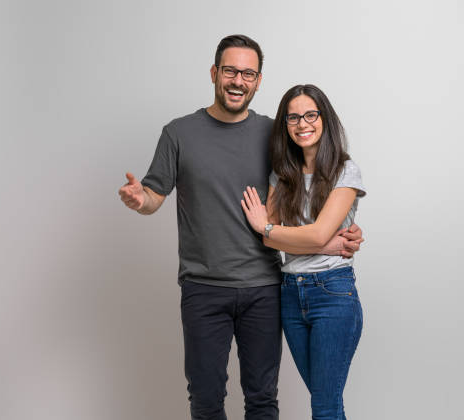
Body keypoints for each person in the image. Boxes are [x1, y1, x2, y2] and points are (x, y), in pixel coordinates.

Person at [118, 35, 363, 420]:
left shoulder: (276, 135)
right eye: (230, 71)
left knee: (263, 399)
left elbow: (311, 190)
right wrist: (140, 198)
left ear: (258, 81)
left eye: (248, 73)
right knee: (205, 399)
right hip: (203, 288)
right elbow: (154, 197)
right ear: (215, 73)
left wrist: (342, 233)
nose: (238, 81)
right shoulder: (178, 133)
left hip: (265, 288)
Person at [241, 84, 365, 420]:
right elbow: (272, 243)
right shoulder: (282, 174)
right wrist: (318, 241)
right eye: (293, 117)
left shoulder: (344, 169)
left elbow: (304, 232)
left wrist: (267, 227)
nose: (302, 123)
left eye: (310, 114)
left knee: (324, 406)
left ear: (324, 118)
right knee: (327, 402)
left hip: (332, 293)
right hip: (291, 296)